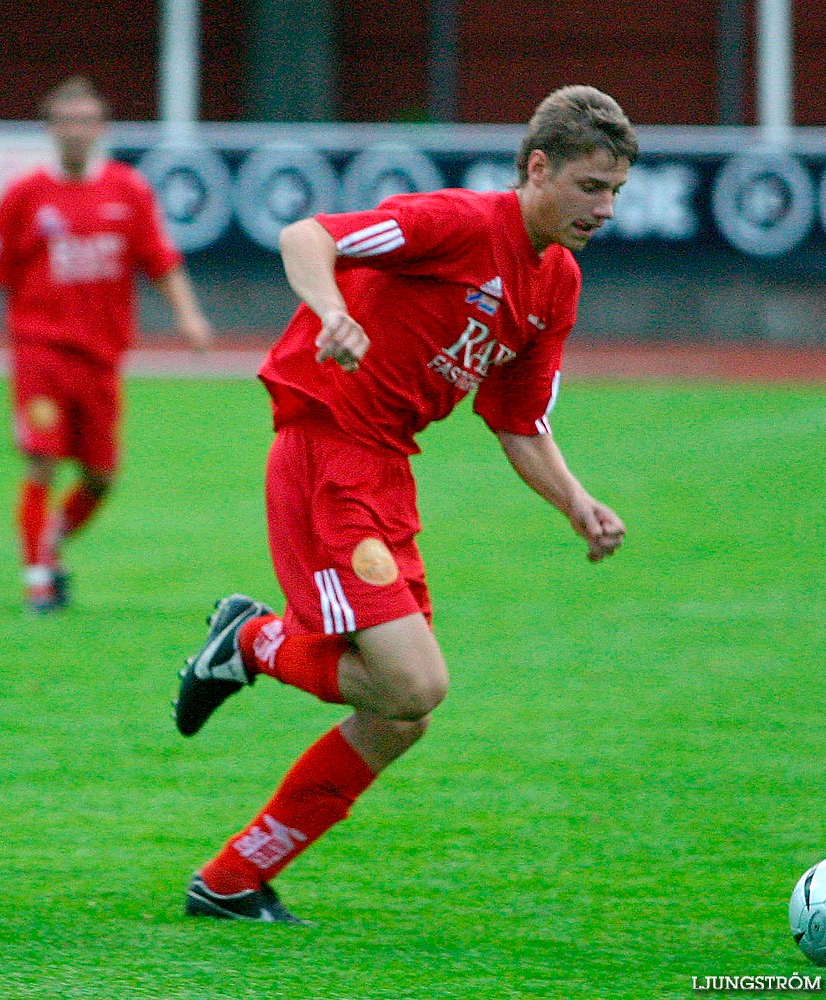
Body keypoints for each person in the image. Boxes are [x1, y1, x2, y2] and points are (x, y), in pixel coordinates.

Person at [173, 85, 637, 923]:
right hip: (328, 451)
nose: (603, 208)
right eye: (590, 187)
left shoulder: (555, 283)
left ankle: (233, 879)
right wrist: (332, 310)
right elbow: (306, 235)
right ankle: (250, 639)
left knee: (401, 715)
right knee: (414, 681)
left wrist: (575, 502)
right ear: (538, 169)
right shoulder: (458, 222)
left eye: (614, 192)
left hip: (384, 470)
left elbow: (519, 420)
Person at [0, 76, 212, 613]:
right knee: (41, 460)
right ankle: (38, 580)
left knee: (101, 476)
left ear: (102, 128)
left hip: (102, 357)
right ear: (49, 130)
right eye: (66, 121)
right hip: (41, 349)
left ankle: (51, 544)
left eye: (86, 121)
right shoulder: (24, 196)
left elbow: (160, 260)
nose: (76, 131)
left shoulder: (128, 190)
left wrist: (190, 317)